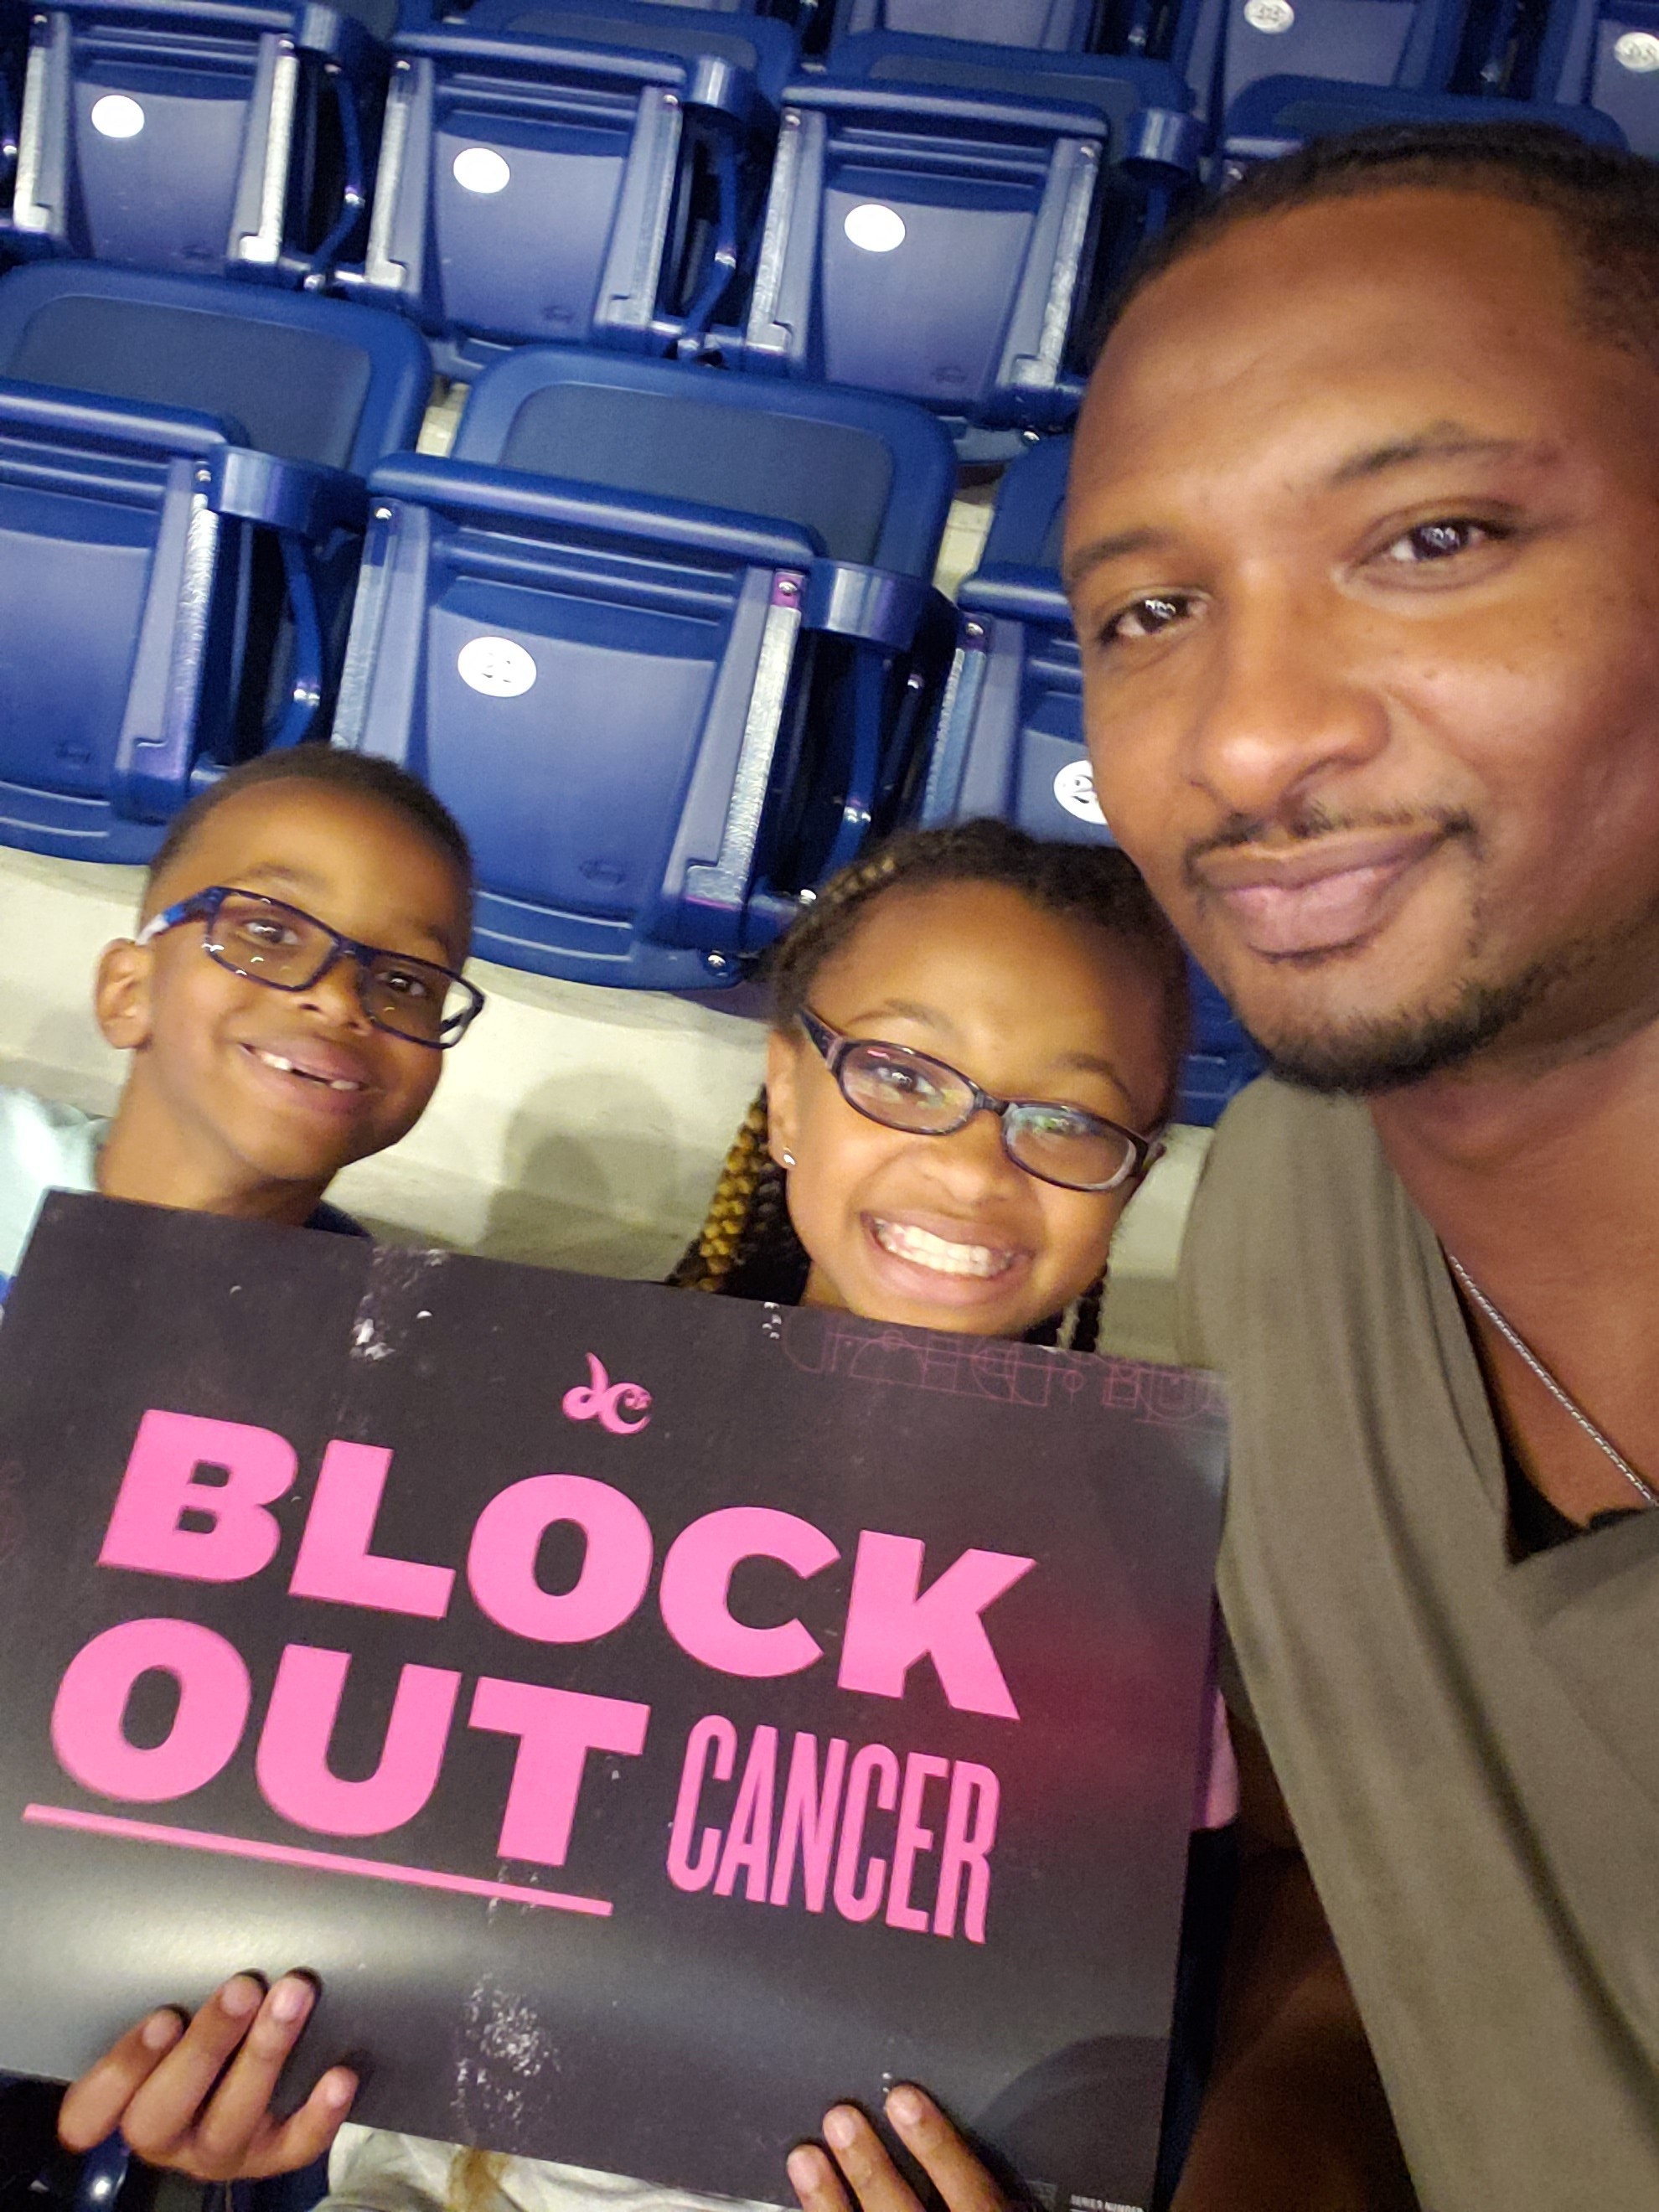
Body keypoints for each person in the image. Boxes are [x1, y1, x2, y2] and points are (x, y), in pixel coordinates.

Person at [55, 822, 1212, 2212]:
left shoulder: (1153, 1598)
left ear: (1134, 1171)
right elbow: (332, 1940)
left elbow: (1096, 2064)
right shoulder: (499, 1452)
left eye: (1068, 1120)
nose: (975, 1169)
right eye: (902, 1075)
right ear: (787, 1092)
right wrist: (245, 2074)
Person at [1053, 121, 1659, 2211]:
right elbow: (1397, 1926)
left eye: (1430, 540)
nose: (1242, 740)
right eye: (1148, 610)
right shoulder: (1286, 1220)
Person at [0, 747, 483, 1305]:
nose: (337, 998)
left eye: (405, 983)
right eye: (270, 933)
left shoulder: (377, 1329)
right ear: (128, 993)